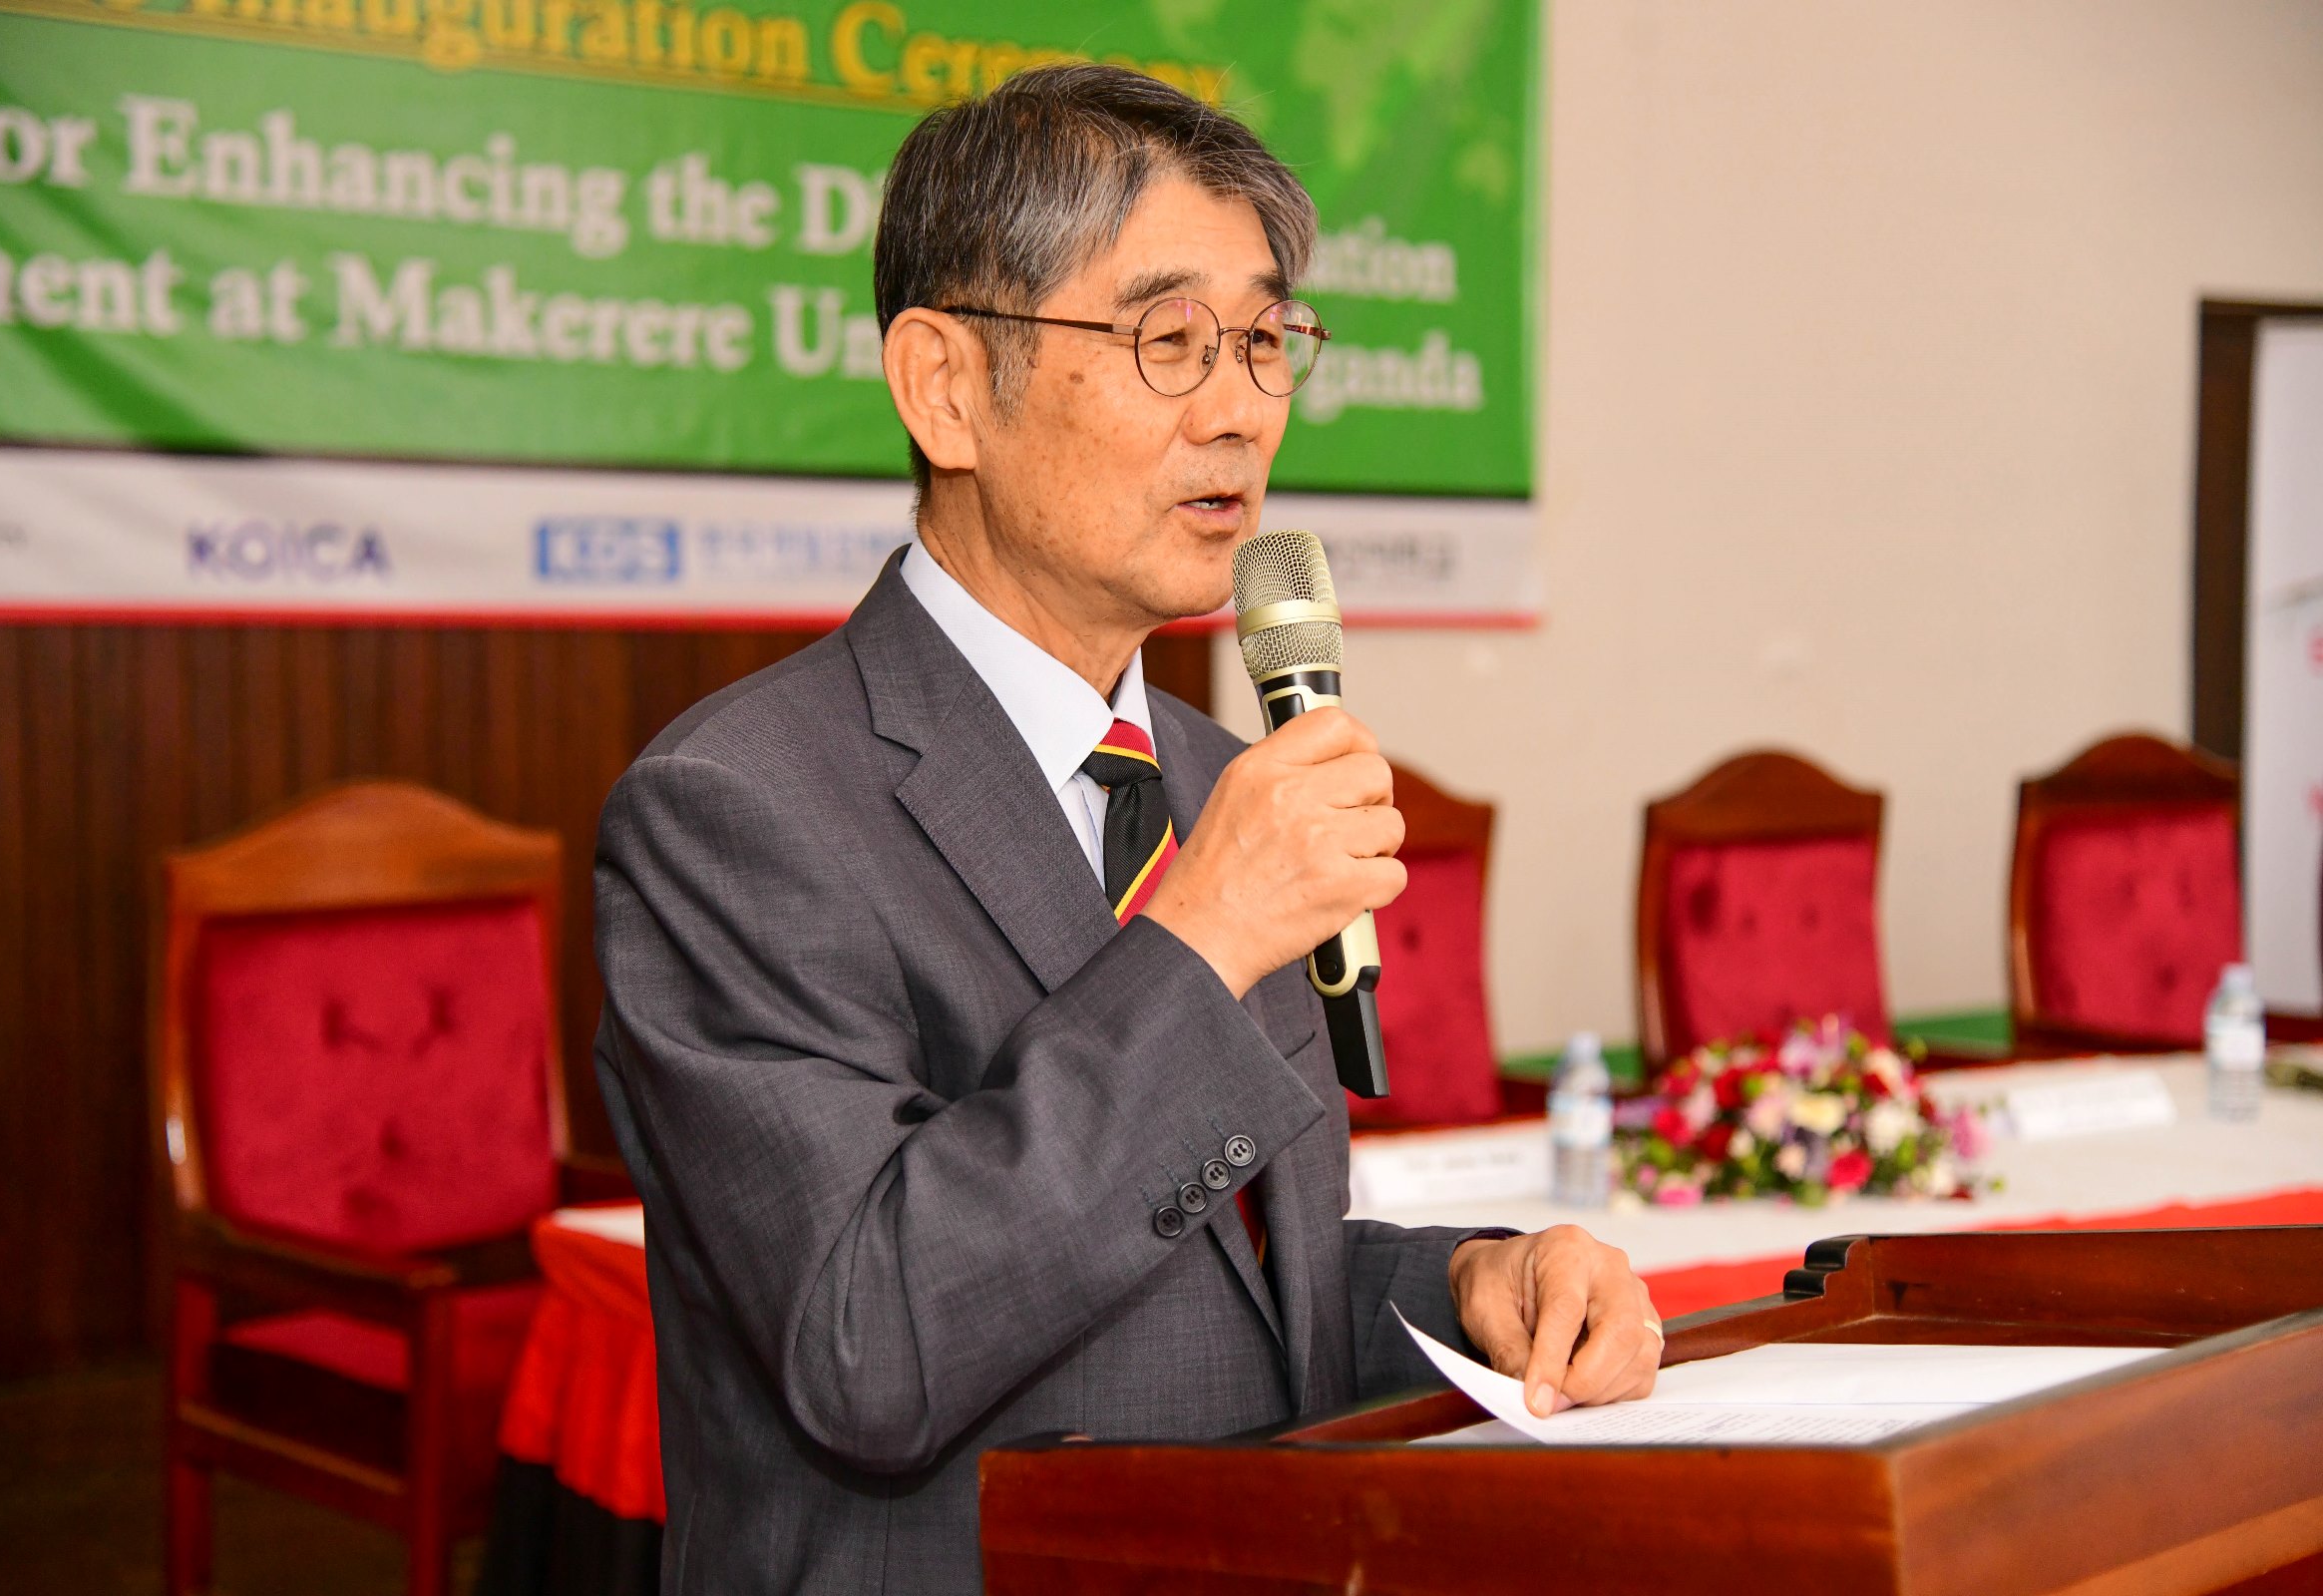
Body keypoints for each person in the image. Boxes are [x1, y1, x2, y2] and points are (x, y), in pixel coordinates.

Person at [590, 62, 1660, 1595]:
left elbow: (1225, 1277)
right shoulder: (738, 813)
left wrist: (1469, 1282)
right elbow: (866, 1343)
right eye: (1167, 341)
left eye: (1266, 339)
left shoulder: (1229, 780)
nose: (1239, 411)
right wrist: (1206, 936)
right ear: (946, 387)